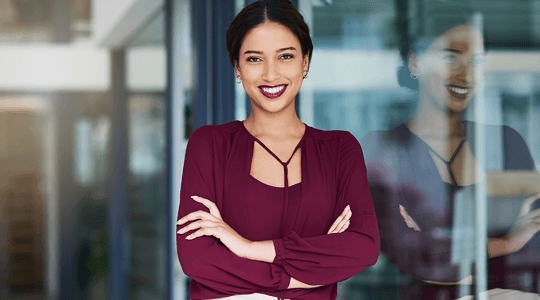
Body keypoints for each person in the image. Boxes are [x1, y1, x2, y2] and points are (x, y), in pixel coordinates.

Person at [176, 1, 380, 299]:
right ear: (237, 67)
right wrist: (309, 270)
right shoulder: (209, 145)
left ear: (305, 62)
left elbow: (363, 248)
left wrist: (247, 248)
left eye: (285, 56)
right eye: (254, 59)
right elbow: (198, 260)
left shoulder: (340, 149)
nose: (271, 75)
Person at [361, 6, 540, 300]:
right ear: (415, 62)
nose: (465, 74)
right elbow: (415, 256)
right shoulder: (384, 149)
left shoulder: (506, 142)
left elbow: (534, 247)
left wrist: (447, 247)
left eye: (477, 61)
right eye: (450, 57)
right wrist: (506, 244)